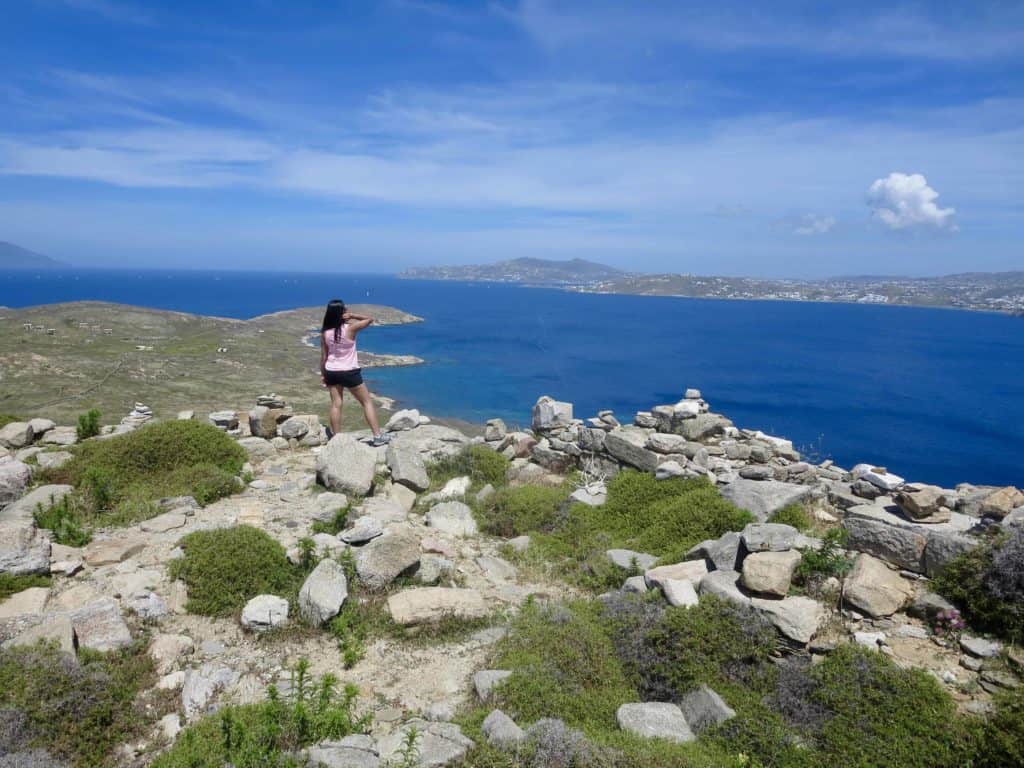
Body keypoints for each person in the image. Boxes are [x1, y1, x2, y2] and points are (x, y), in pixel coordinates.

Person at [319, 299, 390, 446]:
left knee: (336, 404)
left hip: (331, 371)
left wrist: (324, 374)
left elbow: (324, 357)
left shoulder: (325, 333)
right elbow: (370, 319)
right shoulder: (350, 328)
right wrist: (353, 315)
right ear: (342, 313)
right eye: (345, 310)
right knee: (366, 402)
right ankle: (377, 436)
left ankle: (336, 440)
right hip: (349, 371)